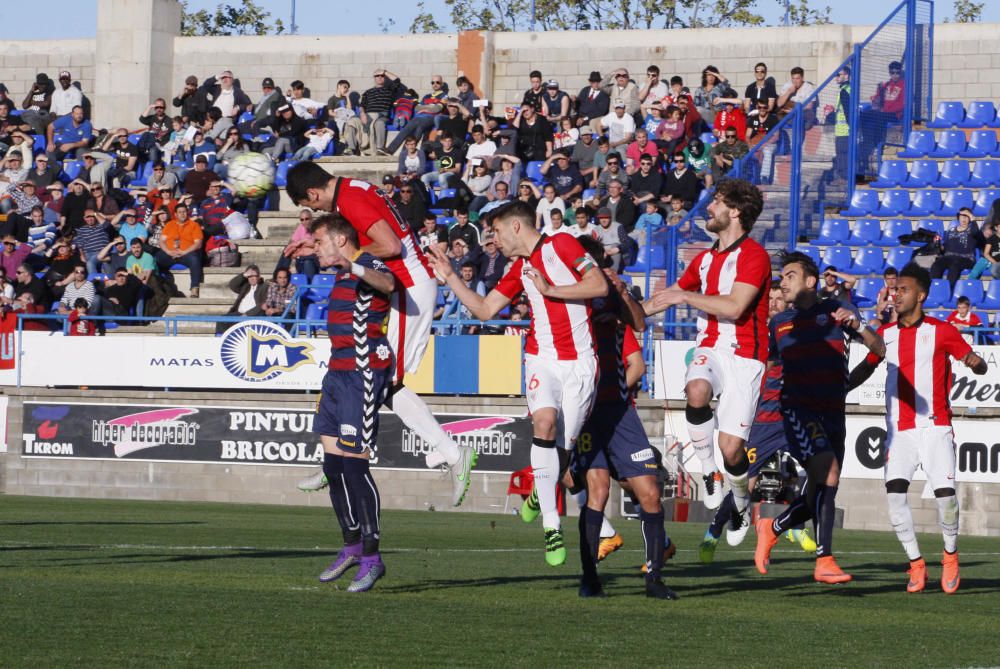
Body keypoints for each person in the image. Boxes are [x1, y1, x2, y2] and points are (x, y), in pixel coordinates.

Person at [286, 162, 477, 506]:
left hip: (408, 287)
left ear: (312, 193)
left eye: (311, 205)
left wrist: (340, 255)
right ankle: (444, 450)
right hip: (402, 287)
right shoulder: (354, 190)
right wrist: (322, 249)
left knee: (382, 377)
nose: (315, 210)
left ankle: (449, 451)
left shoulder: (351, 200)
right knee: (378, 376)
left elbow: (389, 245)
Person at [428, 200, 607, 566]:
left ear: (514, 227)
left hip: (581, 364)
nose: (492, 240)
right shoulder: (519, 269)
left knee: (563, 450)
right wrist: (449, 276)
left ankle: (541, 491)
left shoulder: (563, 245)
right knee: (543, 423)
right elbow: (484, 310)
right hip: (542, 358)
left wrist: (552, 290)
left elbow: (598, 284)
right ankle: (552, 525)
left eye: (494, 231)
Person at [847, 263, 987, 593]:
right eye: (894, 290)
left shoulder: (942, 330)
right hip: (899, 431)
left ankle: (950, 556)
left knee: (945, 499)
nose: (895, 295)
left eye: (903, 290)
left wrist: (975, 363)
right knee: (895, 496)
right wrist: (840, 387)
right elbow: (867, 367)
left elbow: (972, 360)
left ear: (921, 295)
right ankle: (916, 564)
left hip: (936, 427)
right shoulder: (886, 335)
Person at [643, 179, 770, 544]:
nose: (709, 207)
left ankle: (741, 501)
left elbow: (734, 307)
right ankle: (709, 472)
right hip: (710, 348)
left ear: (735, 212)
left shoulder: (754, 256)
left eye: (716, 201)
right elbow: (666, 298)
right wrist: (630, 313)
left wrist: (684, 295)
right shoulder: (702, 260)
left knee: (733, 449)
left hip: (746, 358)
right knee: (696, 390)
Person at [753, 252, 885, 584]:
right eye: (781, 276)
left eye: (790, 275)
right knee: (829, 470)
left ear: (811, 281)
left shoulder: (836, 312)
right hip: (798, 408)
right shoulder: (779, 322)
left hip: (833, 413)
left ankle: (774, 527)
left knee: (821, 491)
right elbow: (770, 368)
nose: (783, 281)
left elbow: (879, 349)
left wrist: (857, 327)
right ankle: (824, 559)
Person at [564, 237, 677, 599]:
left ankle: (654, 578)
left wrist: (622, 293)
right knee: (595, 491)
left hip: (619, 410)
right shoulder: (566, 300)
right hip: (585, 408)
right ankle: (589, 578)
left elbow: (640, 325)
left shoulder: (610, 295)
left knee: (651, 493)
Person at [699, 282, 818, 563]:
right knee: (746, 484)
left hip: (792, 415)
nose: (775, 303)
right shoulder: (756, 335)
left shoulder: (790, 331)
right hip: (761, 420)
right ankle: (713, 532)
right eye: (771, 299)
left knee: (819, 469)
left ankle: (794, 525)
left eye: (780, 299)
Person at [310, 214, 397, 593]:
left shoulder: (368, 263)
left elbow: (389, 283)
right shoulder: (342, 275)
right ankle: (351, 545)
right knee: (332, 465)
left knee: (355, 466)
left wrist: (353, 264)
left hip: (362, 374)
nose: (314, 248)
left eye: (318, 242)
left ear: (340, 240)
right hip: (336, 372)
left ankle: (373, 557)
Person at [154, 202, 203, 298]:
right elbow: (161, 241)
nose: (182, 214)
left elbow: (198, 243)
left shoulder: (194, 225)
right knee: (156, 259)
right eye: (180, 212)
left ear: (187, 212)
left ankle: (194, 288)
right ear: (175, 214)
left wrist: (184, 252)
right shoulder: (169, 225)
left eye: (184, 212)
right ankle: (160, 287)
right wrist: (168, 251)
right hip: (170, 253)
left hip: (186, 253)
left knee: (195, 259)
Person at [931, 208, 982, 291]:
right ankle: (935, 289)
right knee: (937, 264)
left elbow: (976, 232)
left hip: (966, 259)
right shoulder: (951, 231)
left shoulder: (972, 230)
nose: (964, 219)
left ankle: (949, 290)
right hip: (949, 257)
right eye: (962, 216)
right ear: (958, 217)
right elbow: (944, 248)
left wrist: (972, 216)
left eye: (967, 216)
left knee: (955, 265)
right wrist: (938, 245)